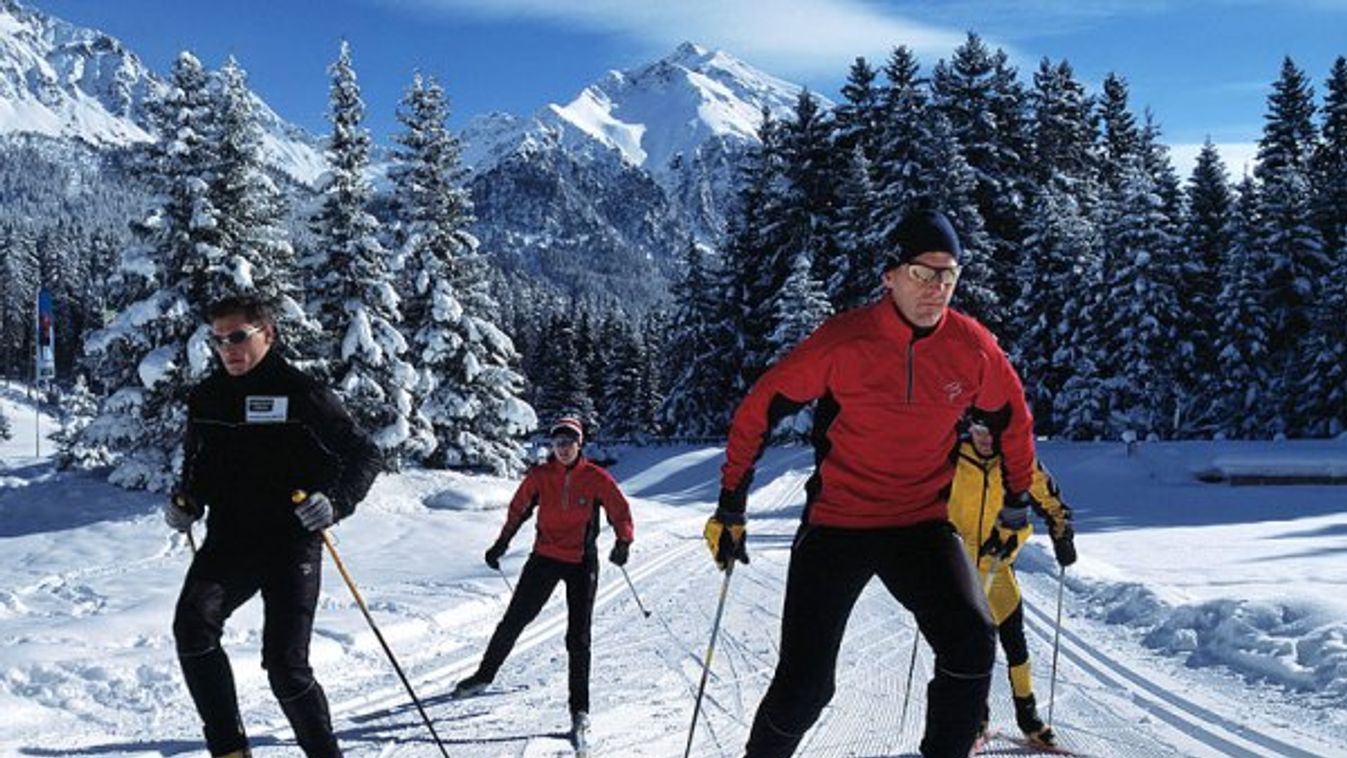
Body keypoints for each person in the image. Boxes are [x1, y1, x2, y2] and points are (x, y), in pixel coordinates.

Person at [705, 209, 1043, 758]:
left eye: (948, 275)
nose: (936, 288)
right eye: (921, 273)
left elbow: (1014, 419)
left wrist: (1017, 503)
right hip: (838, 524)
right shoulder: (845, 342)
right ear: (890, 276)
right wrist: (731, 505)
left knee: (972, 640)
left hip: (920, 525)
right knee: (807, 687)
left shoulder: (972, 348)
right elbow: (759, 408)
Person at [165, 295, 382, 758]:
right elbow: (197, 469)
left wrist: (336, 503)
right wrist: (187, 502)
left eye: (239, 336)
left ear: (269, 334)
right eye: (219, 340)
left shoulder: (303, 394)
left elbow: (365, 455)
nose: (228, 349)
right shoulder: (206, 398)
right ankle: (229, 751)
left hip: (291, 545)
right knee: (192, 626)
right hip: (230, 541)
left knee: (285, 667)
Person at [452, 416, 635, 738]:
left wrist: (623, 541)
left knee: (578, 638)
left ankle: (580, 709)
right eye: (557, 443)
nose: (563, 449)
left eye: (569, 442)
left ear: (580, 445)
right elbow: (518, 510)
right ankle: (483, 676)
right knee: (513, 621)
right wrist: (501, 544)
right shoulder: (540, 476)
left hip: (581, 562)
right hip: (545, 558)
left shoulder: (596, 478)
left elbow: (619, 509)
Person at [948, 410, 1077, 746]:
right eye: (979, 430)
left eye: (992, 431)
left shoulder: (1017, 462)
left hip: (998, 564)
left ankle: (1028, 718)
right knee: (965, 648)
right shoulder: (950, 456)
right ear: (970, 428)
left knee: (1015, 644)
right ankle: (976, 717)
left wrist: (1062, 535)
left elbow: (1051, 500)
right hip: (957, 566)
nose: (985, 438)